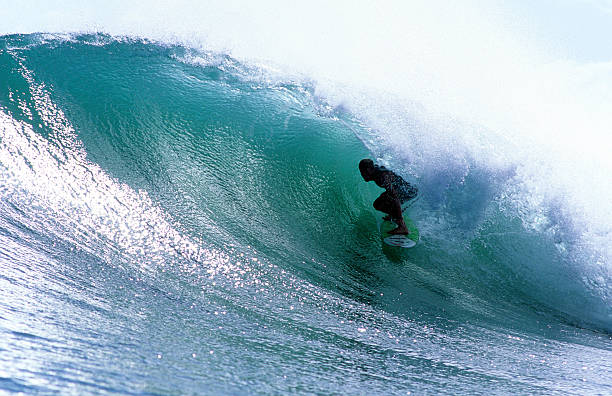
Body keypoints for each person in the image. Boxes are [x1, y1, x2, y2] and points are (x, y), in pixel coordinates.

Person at [359, 159, 418, 235]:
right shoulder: (374, 171)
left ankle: (402, 227)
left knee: (384, 201)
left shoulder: (381, 178)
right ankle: (394, 216)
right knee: (378, 204)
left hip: (407, 191)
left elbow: (395, 197)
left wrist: (399, 217)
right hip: (403, 190)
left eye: (362, 172)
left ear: (369, 170)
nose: (362, 175)